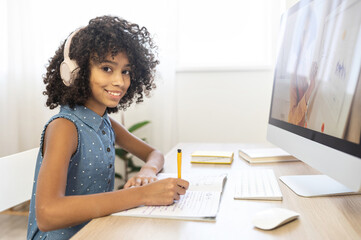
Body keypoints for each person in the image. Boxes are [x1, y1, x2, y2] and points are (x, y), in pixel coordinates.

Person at [27, 15, 189, 240]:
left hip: (98, 232)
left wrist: (148, 171)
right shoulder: (65, 127)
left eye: (126, 71)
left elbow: (154, 153)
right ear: (76, 71)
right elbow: (47, 214)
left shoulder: (104, 122)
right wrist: (141, 195)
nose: (120, 82)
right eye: (107, 68)